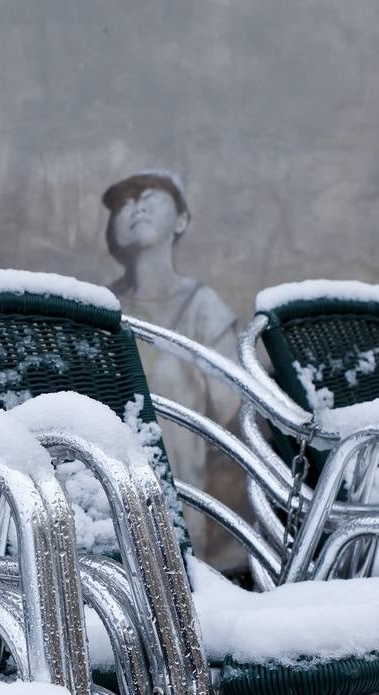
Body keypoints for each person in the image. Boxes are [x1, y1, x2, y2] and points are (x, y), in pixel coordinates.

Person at [102, 171, 244, 568]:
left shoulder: (203, 305)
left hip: (186, 502)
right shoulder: (99, 308)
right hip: (110, 499)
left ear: (181, 221)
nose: (137, 206)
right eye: (124, 202)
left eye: (150, 195)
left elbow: (229, 410)